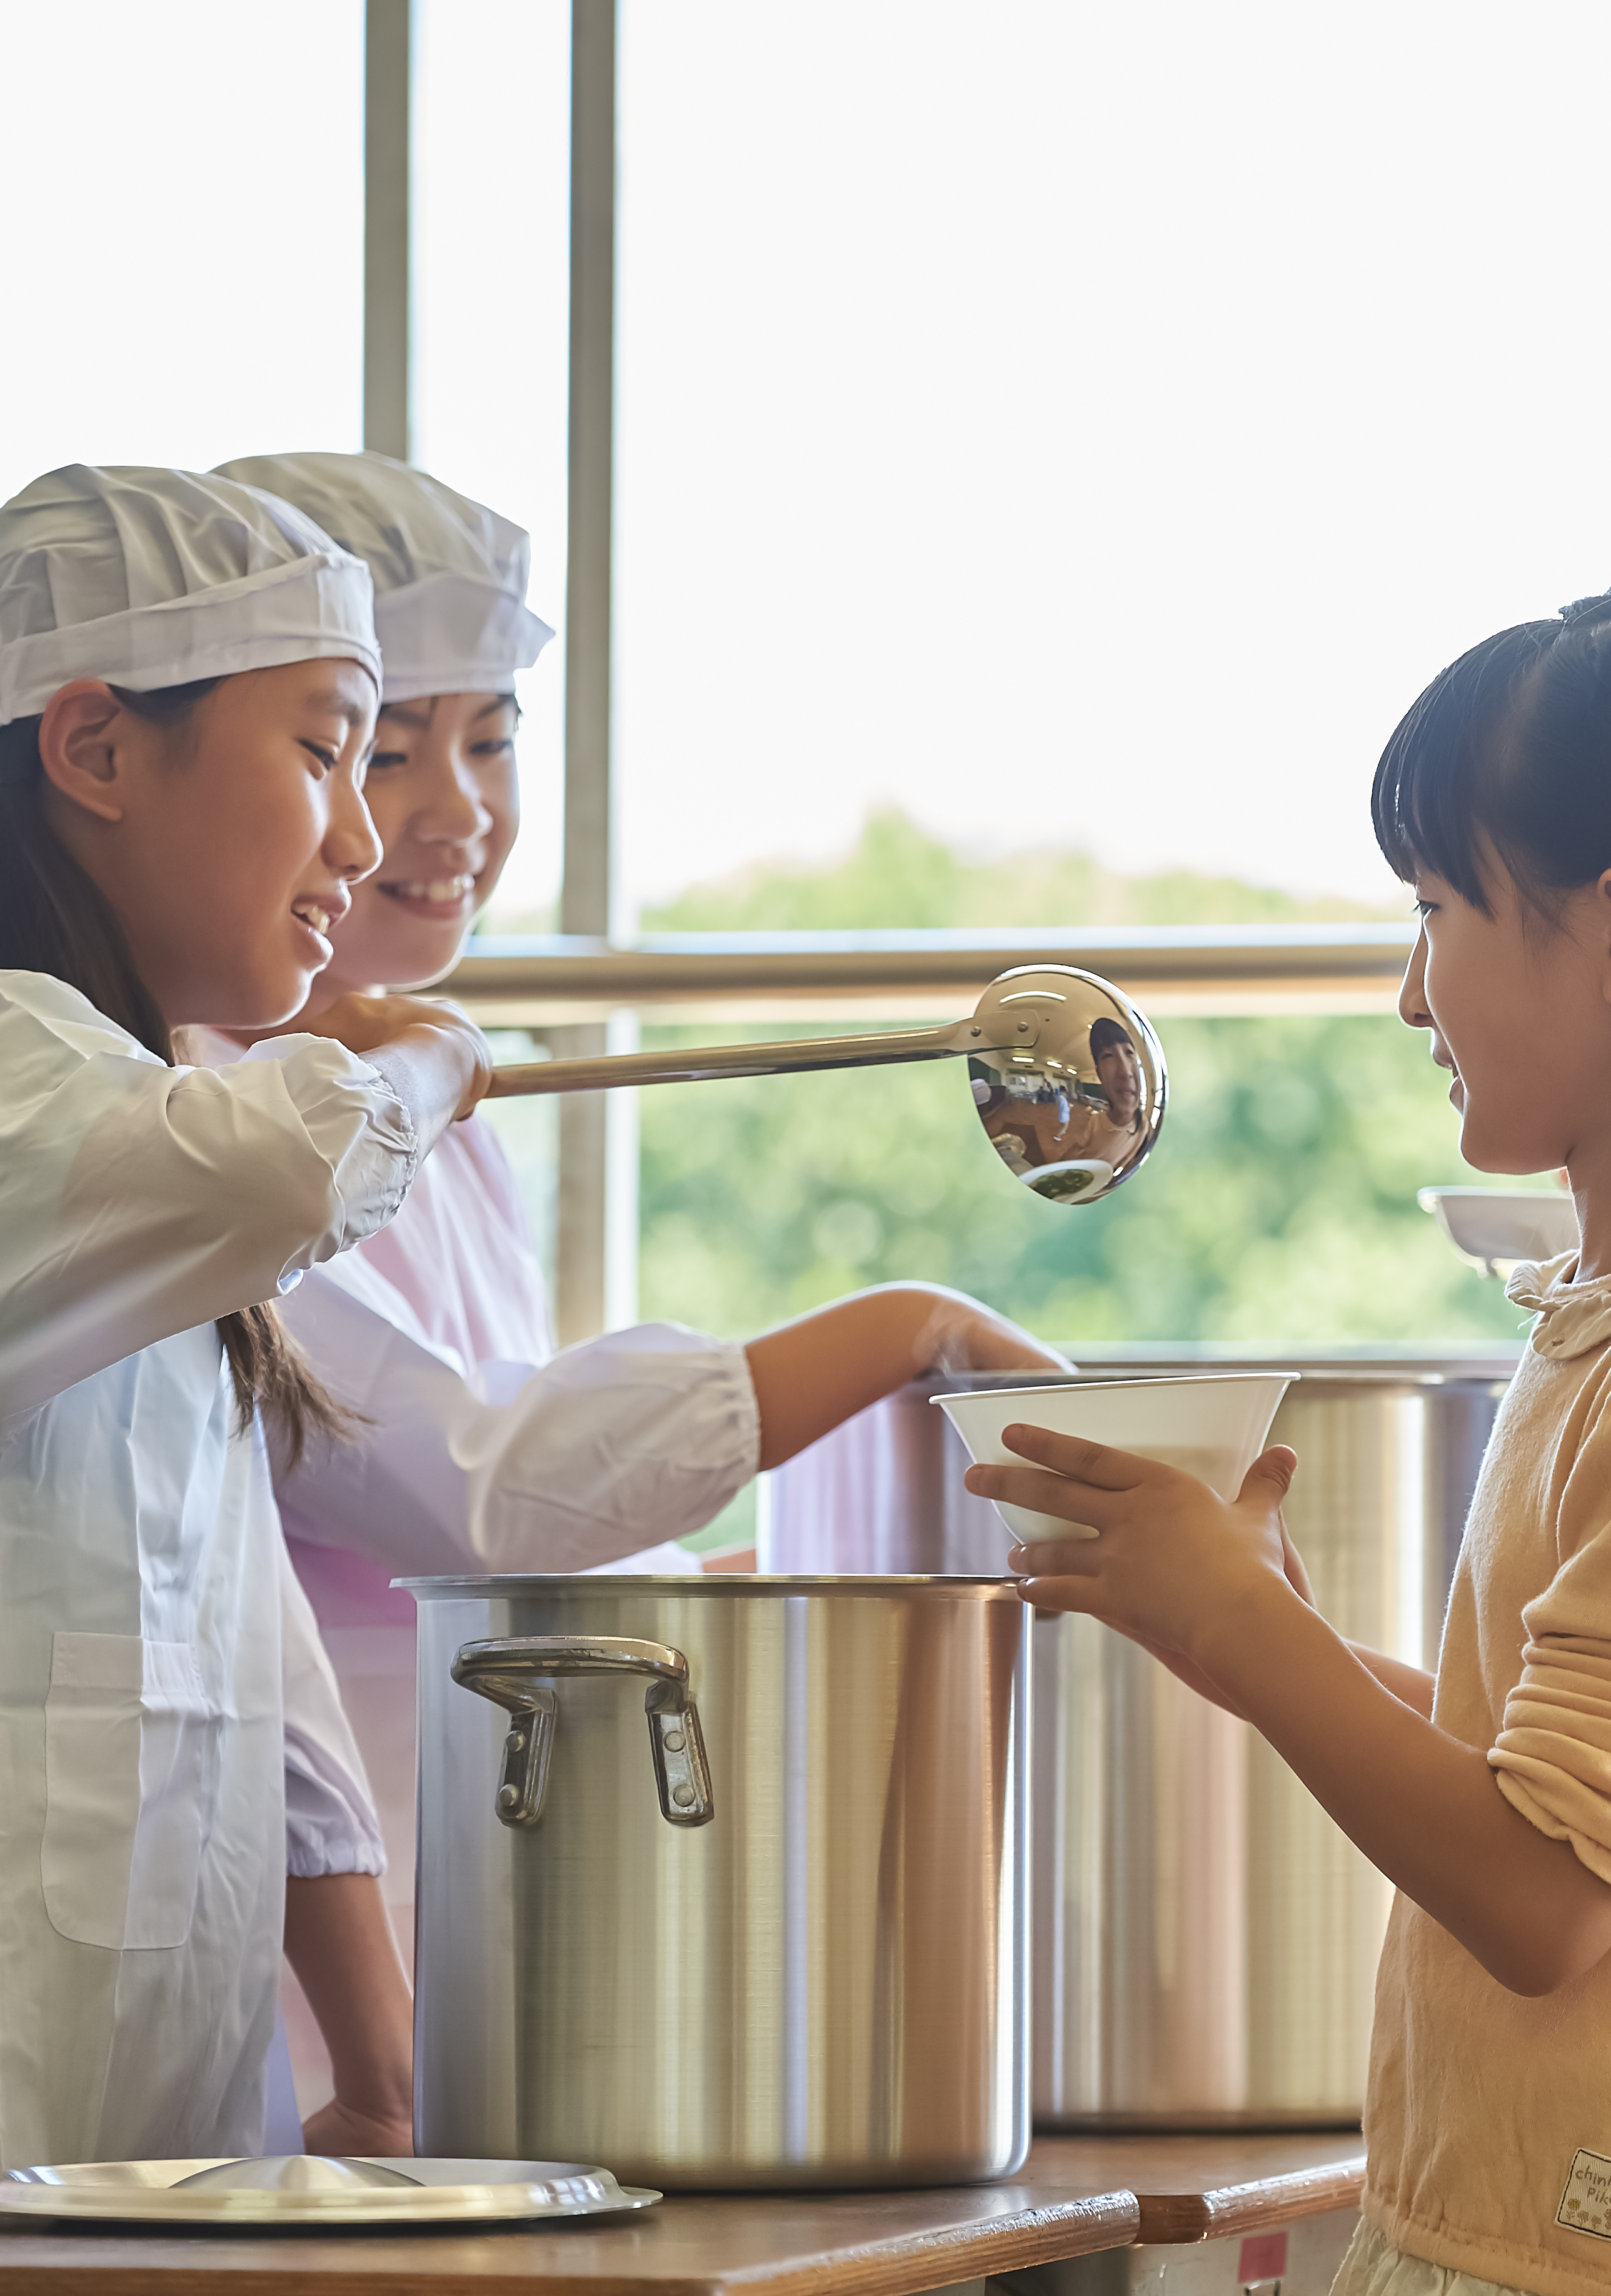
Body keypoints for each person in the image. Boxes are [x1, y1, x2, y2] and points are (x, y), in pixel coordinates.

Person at [975, 589, 1611, 2296]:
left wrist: (1252, 1634)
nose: (1409, 991)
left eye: (1434, 907)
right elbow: (1598, 1796)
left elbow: (1551, 1898)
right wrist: (1265, 1637)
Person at [204, 451, 1072, 2072]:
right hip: (302, 1968)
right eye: (378, 750)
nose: (452, 810)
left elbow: (497, 1533)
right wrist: (904, 1327)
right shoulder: (214, 1125)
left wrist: (780, 1590)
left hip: (461, 1882)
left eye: (492, 739)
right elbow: (476, 1490)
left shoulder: (445, 1113)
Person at [0, 466, 493, 2227]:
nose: (360, 838)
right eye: (328, 747)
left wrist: (379, 2054)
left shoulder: (129, 1136)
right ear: (98, 752)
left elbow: (257, 1663)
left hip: (156, 2095)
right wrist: (416, 1060)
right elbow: (289, 1157)